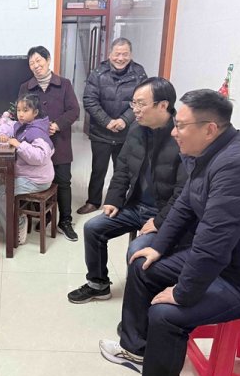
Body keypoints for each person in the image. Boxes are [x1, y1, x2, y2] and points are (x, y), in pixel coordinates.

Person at [99, 90, 240, 376]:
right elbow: (184, 204)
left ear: (209, 129)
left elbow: (214, 242)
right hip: (227, 261)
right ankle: (136, 350)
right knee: (142, 265)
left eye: (181, 126)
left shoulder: (237, 166)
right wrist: (158, 246)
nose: (174, 132)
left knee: (166, 315)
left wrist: (183, 292)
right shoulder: (207, 153)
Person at [68, 77, 187, 304]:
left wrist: (160, 221)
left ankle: (139, 305)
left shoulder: (181, 138)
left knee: (136, 250)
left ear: (163, 105)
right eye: (133, 103)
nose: (135, 110)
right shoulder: (136, 129)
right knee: (93, 228)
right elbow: (122, 168)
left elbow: (184, 192)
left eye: (141, 104)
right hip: (135, 205)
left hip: (163, 213)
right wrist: (114, 199)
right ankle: (98, 284)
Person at [77, 38, 147, 215]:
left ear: (131, 55)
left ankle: (119, 202)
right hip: (101, 132)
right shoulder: (98, 73)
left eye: (125, 54)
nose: (120, 58)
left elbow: (142, 100)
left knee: (123, 170)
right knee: (98, 169)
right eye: (117, 54)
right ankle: (93, 202)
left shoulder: (139, 73)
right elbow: (89, 100)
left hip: (127, 132)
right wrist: (107, 121)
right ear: (109, 54)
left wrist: (124, 120)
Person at [20, 45, 80, 241]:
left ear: (48, 60)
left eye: (39, 61)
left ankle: (65, 221)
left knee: (63, 181)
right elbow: (21, 112)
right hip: (36, 144)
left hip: (60, 142)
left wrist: (57, 125)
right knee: (39, 180)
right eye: (31, 63)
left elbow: (74, 110)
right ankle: (45, 215)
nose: (36, 66)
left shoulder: (64, 84)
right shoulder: (25, 87)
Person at [0, 93, 55, 245]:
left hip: (37, 180)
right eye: (18, 110)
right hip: (28, 175)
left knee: (1, 194)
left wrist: (18, 144)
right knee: (1, 178)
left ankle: (18, 226)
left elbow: (40, 157)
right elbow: (8, 126)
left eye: (25, 110)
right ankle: (15, 219)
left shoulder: (37, 131)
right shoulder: (23, 125)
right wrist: (2, 135)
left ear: (35, 112)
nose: (20, 114)